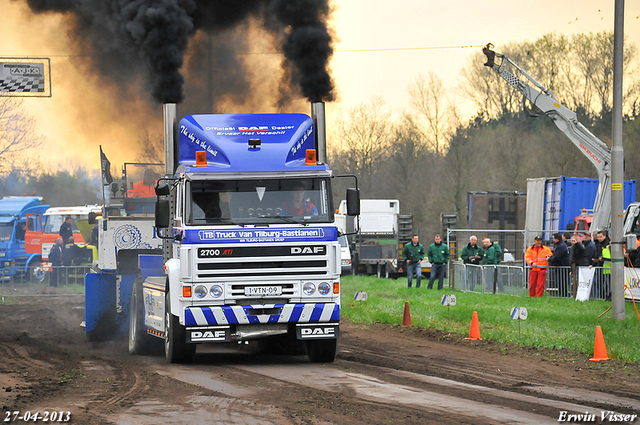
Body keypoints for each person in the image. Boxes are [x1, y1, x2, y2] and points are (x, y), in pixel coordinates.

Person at [548, 232, 570, 297]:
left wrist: (550, 259)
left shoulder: (561, 246)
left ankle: (563, 294)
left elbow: (557, 257)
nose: (553, 240)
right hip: (561, 266)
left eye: (553, 238)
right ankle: (562, 294)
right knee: (560, 281)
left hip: (562, 266)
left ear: (556, 239)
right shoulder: (560, 245)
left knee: (562, 281)